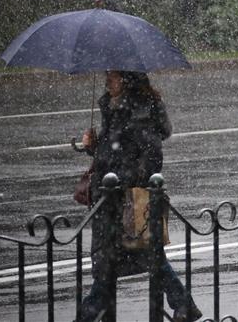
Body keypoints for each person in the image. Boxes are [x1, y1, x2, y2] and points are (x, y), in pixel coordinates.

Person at [77, 71, 202, 322]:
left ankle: (88, 315)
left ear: (127, 79)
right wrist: (94, 146)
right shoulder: (113, 107)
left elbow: (150, 157)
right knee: (127, 259)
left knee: (115, 261)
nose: (106, 81)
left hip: (126, 199)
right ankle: (183, 304)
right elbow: (114, 152)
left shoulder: (138, 111)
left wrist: (123, 184)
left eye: (112, 76)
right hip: (111, 198)